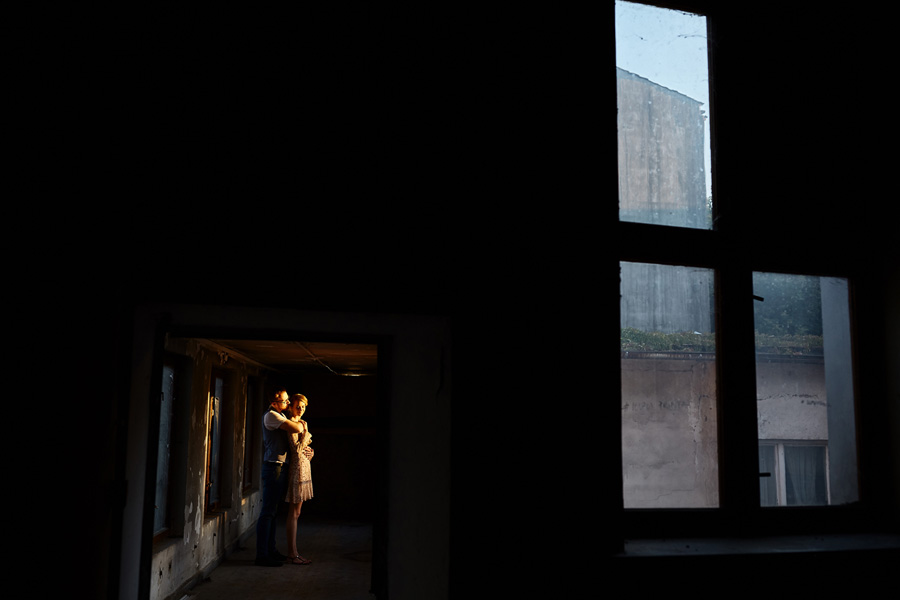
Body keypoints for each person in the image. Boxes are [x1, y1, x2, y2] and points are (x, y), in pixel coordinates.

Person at [255, 388, 304, 567]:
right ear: (274, 403)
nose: (288, 403)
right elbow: (297, 427)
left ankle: (271, 551)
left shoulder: (280, 415)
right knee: (268, 512)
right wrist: (301, 424)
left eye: (288, 400)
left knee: (273, 512)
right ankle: (262, 555)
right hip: (273, 467)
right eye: (285, 401)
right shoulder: (271, 416)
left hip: (280, 467)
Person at [284, 393, 315, 565]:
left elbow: (304, 447)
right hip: (297, 468)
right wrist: (306, 435)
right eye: (298, 406)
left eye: (303, 407)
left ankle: (294, 553)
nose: (301, 410)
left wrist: (311, 451)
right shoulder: (292, 424)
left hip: (305, 466)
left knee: (297, 513)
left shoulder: (303, 423)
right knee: (293, 513)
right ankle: (292, 553)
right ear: (291, 407)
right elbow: (296, 450)